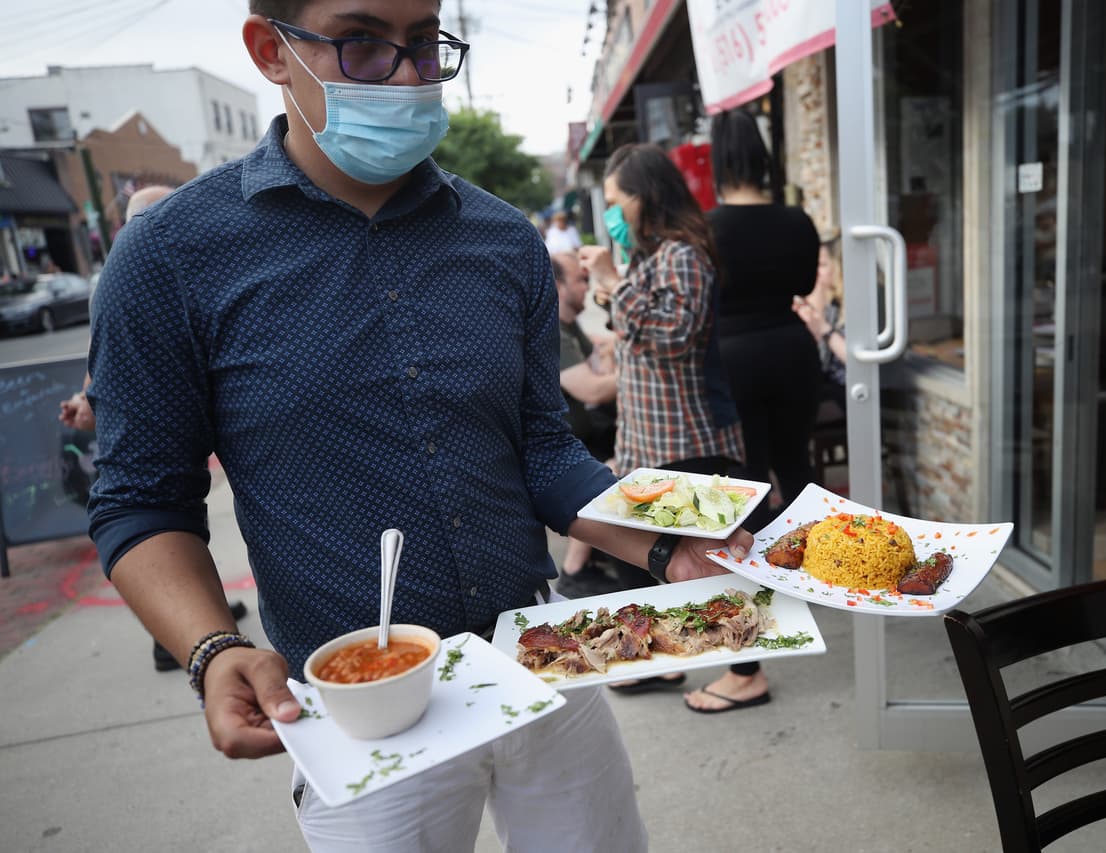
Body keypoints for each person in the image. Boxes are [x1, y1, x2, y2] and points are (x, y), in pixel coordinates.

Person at [85, 3, 750, 851]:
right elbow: (142, 500)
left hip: (542, 655)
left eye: (426, 43)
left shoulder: (505, 242)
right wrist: (213, 647)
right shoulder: (172, 257)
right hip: (357, 700)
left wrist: (667, 540)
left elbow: (542, 449)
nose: (407, 74)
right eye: (363, 43)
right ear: (271, 52)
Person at [58, 183, 250, 671]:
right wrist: (88, 401)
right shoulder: (131, 278)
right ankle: (172, 640)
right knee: (164, 516)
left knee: (189, 518)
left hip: (178, 434)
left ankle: (198, 617)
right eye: (155, 216)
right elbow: (105, 365)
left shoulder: (198, 268)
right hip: (142, 436)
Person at [579, 142, 746, 695]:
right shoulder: (651, 259)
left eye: (615, 201)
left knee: (716, 561)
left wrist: (611, 277)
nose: (610, 215)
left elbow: (673, 338)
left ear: (645, 199)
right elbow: (641, 329)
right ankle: (659, 655)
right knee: (637, 554)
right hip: (647, 436)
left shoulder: (684, 254)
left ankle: (746, 671)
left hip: (688, 436)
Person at [681, 108, 821, 715]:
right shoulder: (797, 220)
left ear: (720, 157)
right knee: (799, 473)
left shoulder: (705, 228)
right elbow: (807, 283)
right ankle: (826, 576)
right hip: (793, 349)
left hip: (732, 361)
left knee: (742, 497)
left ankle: (750, 659)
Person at [549, 250, 637, 597]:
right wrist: (639, 371)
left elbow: (599, 368)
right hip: (570, 440)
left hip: (586, 429)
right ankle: (575, 570)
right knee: (625, 460)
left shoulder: (569, 326)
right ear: (557, 287)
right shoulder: (553, 330)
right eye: (581, 279)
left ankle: (599, 561)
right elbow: (593, 388)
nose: (587, 287)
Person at [794, 233, 848, 395]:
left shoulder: (860, 305)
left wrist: (823, 327)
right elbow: (820, 360)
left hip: (852, 394)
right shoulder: (833, 303)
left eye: (822, 265)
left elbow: (857, 362)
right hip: (833, 388)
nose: (817, 272)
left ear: (839, 266)